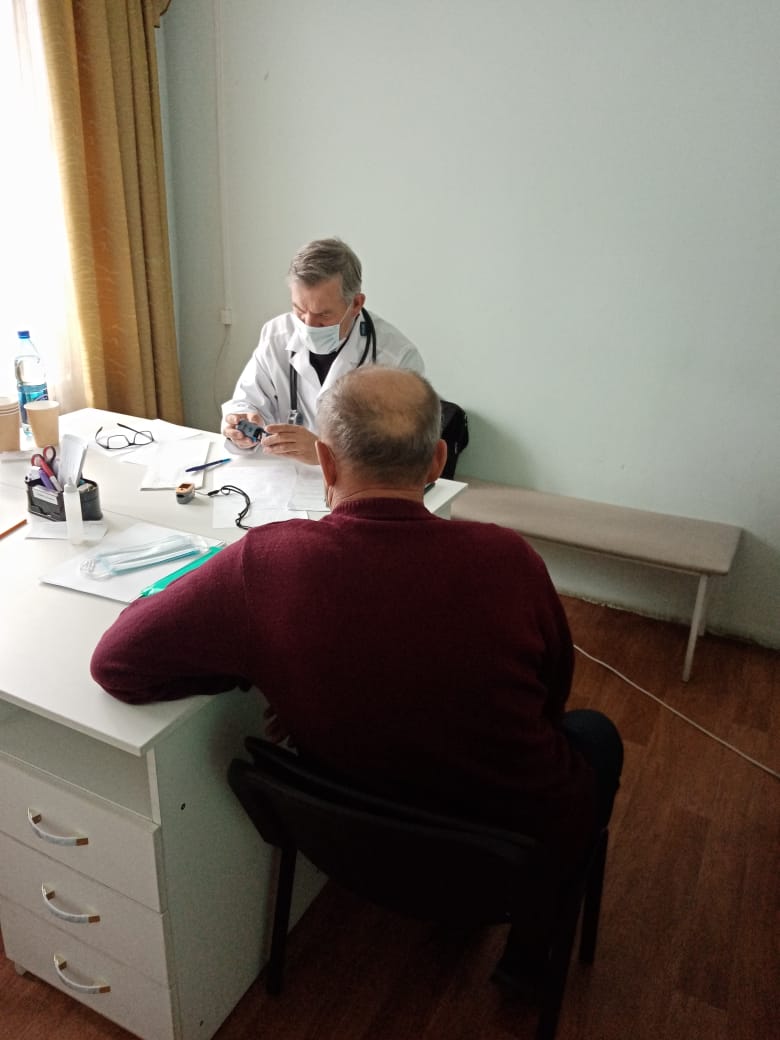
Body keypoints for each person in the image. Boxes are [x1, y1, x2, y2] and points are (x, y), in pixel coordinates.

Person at [91, 366, 622, 981]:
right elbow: (551, 698)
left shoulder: (266, 563)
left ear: (325, 461)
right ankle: (527, 964)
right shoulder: (509, 560)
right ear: (438, 461)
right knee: (595, 734)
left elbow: (116, 663)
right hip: (506, 856)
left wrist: (262, 667)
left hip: (344, 841)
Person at [221, 237, 424, 466]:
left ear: (356, 304)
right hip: (284, 474)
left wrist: (329, 454)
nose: (308, 325)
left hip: (360, 482)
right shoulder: (276, 335)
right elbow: (248, 402)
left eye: (323, 315)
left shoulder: (397, 358)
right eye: (299, 309)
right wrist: (241, 424)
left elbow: (405, 454)